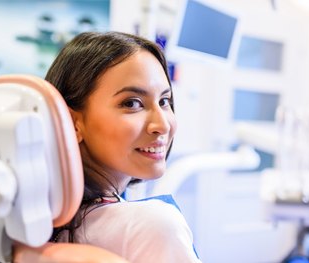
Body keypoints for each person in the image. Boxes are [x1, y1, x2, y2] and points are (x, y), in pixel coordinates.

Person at [45, 31, 201, 263]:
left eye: (164, 101)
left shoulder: (40, 224)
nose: (162, 125)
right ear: (72, 122)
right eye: (132, 103)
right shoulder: (152, 227)